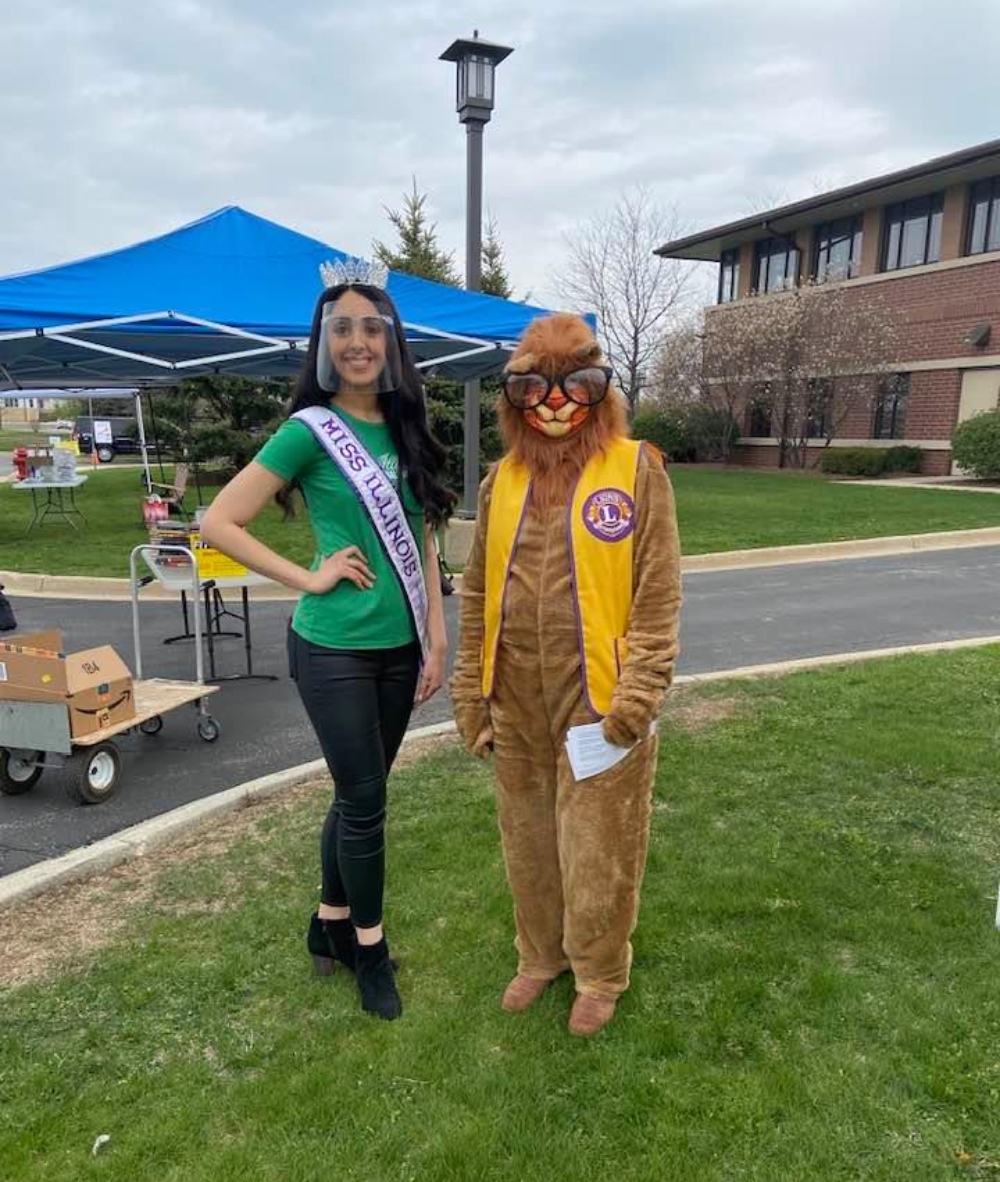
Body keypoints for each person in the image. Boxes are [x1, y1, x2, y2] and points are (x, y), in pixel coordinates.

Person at [201, 261, 454, 1021]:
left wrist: (437, 637)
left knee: (355, 793)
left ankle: (329, 923)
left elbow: (426, 538)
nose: (357, 341)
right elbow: (219, 522)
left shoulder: (408, 427)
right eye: (341, 328)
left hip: (401, 644)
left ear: (391, 342)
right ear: (322, 343)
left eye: (371, 327)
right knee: (368, 801)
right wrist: (307, 578)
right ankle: (370, 951)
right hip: (334, 648)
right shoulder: (305, 433)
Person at [450, 312, 682, 1036]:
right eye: (533, 389)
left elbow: (658, 590)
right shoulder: (502, 481)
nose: (553, 403)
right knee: (526, 836)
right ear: (515, 400)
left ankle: (600, 970)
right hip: (514, 693)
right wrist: (470, 691)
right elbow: (480, 588)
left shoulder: (636, 468)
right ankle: (539, 955)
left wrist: (638, 693)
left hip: (600, 699)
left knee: (599, 843)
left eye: (573, 385)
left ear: (598, 390)